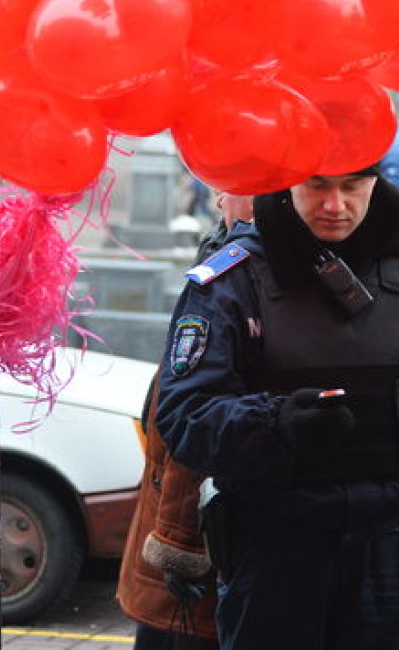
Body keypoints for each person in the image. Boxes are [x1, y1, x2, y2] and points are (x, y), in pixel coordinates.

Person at [154, 164, 399, 650]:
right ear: (288, 183)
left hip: (389, 555)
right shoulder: (232, 280)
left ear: (375, 183)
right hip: (274, 553)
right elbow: (183, 414)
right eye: (318, 186)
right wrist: (274, 422)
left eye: (352, 187)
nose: (335, 205)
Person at [117, 190, 254, 650]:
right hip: (181, 515)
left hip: (205, 527)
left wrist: (178, 541)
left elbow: (192, 430)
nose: (217, 198)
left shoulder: (241, 267)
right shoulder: (222, 258)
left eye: (232, 186)